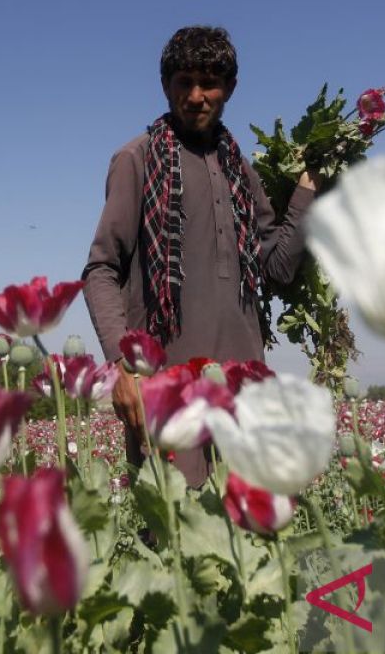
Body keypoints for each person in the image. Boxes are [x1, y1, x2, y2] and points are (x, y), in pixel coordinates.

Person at [81, 26, 318, 487]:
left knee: (251, 541)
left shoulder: (241, 172)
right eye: (183, 82)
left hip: (245, 394)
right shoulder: (137, 159)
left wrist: (308, 193)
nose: (196, 96)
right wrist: (123, 365)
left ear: (229, 87)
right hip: (168, 394)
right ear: (165, 86)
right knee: (176, 541)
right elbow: (101, 269)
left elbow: (278, 266)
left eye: (209, 81)